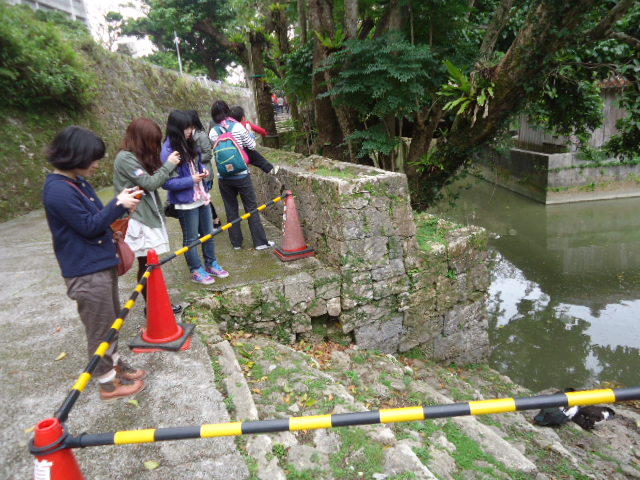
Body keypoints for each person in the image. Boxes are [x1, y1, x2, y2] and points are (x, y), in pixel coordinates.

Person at [43, 126, 145, 400]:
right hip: (86, 272)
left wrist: (122, 206)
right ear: (75, 156)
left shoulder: (76, 182)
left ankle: (114, 365)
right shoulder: (57, 190)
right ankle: (107, 382)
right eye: (93, 158)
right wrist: (117, 204)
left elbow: (98, 218)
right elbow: (89, 226)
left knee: (112, 322)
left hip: (100, 263)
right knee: (100, 329)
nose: (97, 164)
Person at [113, 118, 183, 314]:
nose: (154, 145)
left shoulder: (136, 157)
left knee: (150, 264)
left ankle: (155, 306)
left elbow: (158, 180)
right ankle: (152, 308)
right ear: (141, 139)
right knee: (147, 264)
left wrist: (171, 166)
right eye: (152, 141)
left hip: (147, 215)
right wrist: (168, 165)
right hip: (139, 219)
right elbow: (150, 183)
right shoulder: (125, 159)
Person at [162, 110, 228, 284]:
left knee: (208, 233)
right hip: (185, 202)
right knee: (191, 237)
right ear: (176, 128)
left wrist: (203, 172)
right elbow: (167, 183)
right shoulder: (167, 150)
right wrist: (191, 179)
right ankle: (196, 269)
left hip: (201, 196)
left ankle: (211, 263)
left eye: (191, 127)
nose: (191, 131)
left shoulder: (189, 143)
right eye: (187, 128)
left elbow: (197, 166)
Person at [209, 100, 275, 251]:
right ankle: (260, 243)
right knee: (251, 208)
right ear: (228, 111)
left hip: (224, 177)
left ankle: (236, 243)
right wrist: (249, 134)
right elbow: (252, 146)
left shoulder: (213, 132)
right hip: (241, 175)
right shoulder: (238, 127)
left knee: (231, 210)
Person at [186, 109, 221, 229]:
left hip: (205, 173)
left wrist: (194, 159)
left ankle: (214, 220)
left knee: (204, 197)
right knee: (203, 197)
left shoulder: (201, 135)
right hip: (195, 174)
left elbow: (208, 154)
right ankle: (213, 220)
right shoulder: (188, 136)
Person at [228, 105, 278, 175]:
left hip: (228, 159)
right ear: (243, 118)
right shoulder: (243, 125)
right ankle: (270, 169)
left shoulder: (225, 127)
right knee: (251, 152)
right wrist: (253, 133)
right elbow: (252, 145)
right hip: (240, 158)